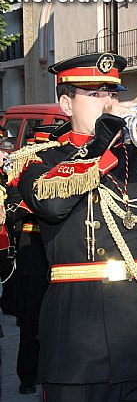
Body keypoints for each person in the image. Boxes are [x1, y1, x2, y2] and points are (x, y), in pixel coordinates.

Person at [13, 52, 137, 402]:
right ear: (66, 104)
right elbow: (51, 205)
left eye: (112, 93)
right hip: (76, 344)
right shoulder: (41, 160)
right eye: (95, 95)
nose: (108, 102)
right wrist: (102, 146)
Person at [4, 124, 66, 395]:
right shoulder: (23, 172)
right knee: (31, 323)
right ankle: (27, 376)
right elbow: (10, 214)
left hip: (59, 251)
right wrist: (33, 199)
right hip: (32, 252)